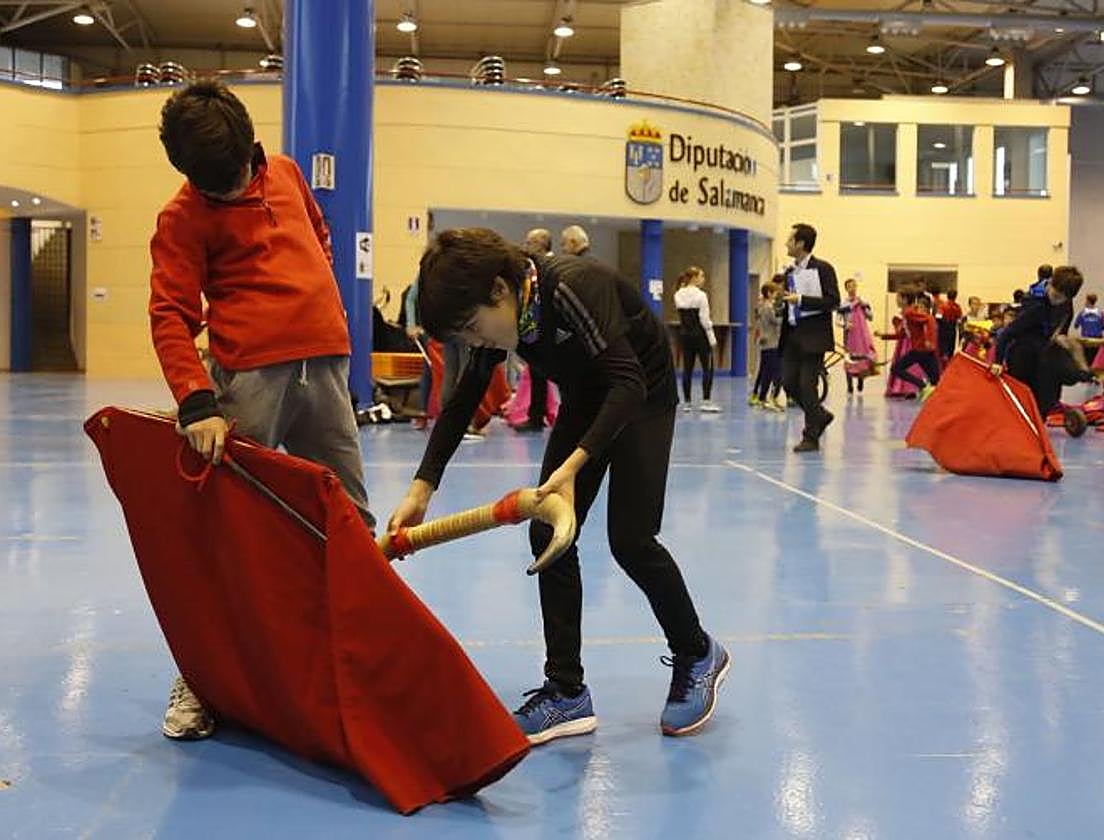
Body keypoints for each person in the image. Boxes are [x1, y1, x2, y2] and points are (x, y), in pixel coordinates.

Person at [389, 228, 728, 744]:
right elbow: (465, 397)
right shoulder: (505, 309)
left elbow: (627, 382)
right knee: (549, 534)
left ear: (499, 290)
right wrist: (422, 486)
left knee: (631, 540)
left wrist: (573, 464)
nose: (476, 343)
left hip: (641, 392)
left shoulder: (570, 287)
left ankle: (697, 652)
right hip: (587, 396)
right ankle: (567, 692)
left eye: (473, 329)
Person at [149, 81, 375, 740]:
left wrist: (321, 306)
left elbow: (321, 235)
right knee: (226, 534)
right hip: (250, 379)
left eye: (233, 178)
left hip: (326, 365)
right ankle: (200, 679)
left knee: (350, 520)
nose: (226, 192)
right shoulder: (181, 217)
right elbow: (169, 313)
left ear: (251, 147)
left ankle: (361, 656)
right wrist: (196, 403)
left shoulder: (286, 171)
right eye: (210, 187)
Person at [993, 265, 1090, 418]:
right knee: (1030, 394)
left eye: (1061, 298)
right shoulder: (1035, 305)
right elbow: (1007, 333)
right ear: (1050, 283)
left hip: (1045, 349)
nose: (1055, 300)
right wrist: (998, 362)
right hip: (1023, 354)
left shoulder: (1066, 305)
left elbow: (1062, 332)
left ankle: (1041, 416)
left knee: (1056, 385)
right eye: (1055, 294)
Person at [780, 223, 840, 452]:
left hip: (814, 337)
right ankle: (819, 415)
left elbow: (833, 301)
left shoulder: (823, 269)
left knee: (808, 385)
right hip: (792, 335)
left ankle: (811, 436)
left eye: (790, 240)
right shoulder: (789, 272)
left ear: (801, 243)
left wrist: (802, 300)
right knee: (788, 382)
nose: (786, 244)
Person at [517, 227, 555, 433]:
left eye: (529, 242)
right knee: (537, 375)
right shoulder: (532, 268)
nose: (525, 246)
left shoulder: (550, 267)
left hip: (550, 329)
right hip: (536, 328)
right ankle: (536, 416)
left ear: (541, 245)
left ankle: (539, 416)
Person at [673, 266, 721, 413]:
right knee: (708, 367)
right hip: (700, 335)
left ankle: (687, 402)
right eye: (701, 276)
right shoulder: (701, 295)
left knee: (687, 368)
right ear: (694, 278)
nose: (703, 279)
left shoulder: (678, 294)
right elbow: (704, 319)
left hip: (685, 335)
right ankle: (706, 401)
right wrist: (712, 338)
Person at [877, 295, 940, 401]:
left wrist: (930, 341)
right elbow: (901, 334)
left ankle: (923, 386)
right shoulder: (907, 314)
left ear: (905, 299)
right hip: (920, 351)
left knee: (896, 368)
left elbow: (930, 319)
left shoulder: (909, 313)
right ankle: (923, 386)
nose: (896, 300)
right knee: (935, 381)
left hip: (923, 351)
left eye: (898, 297)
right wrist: (883, 336)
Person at [402, 279, 433, 429]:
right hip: (431, 331)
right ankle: (423, 412)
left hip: (448, 329)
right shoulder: (425, 274)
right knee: (429, 372)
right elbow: (411, 298)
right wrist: (411, 325)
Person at [750, 278, 784, 411]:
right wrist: (786, 317)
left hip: (765, 342)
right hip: (772, 343)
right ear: (769, 293)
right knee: (772, 372)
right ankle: (766, 397)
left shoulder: (761, 306)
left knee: (765, 371)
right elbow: (776, 321)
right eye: (774, 292)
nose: (776, 294)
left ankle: (761, 397)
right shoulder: (768, 307)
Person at [837, 277, 874, 393]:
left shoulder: (862, 302)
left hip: (861, 336)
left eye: (854, 286)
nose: (852, 288)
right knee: (849, 359)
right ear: (846, 289)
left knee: (861, 359)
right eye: (849, 287)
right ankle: (849, 385)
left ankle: (860, 381)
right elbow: (837, 320)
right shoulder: (843, 304)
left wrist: (864, 307)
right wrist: (845, 324)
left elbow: (871, 317)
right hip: (848, 335)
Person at [1073, 292, 1104, 366]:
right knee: (1096, 361)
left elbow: (1076, 326)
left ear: (1087, 301)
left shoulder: (1082, 313)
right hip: (1098, 340)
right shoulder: (1101, 313)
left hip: (1086, 340)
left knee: (1087, 360)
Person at [937, 289, 963, 362]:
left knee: (943, 347)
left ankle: (944, 359)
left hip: (943, 327)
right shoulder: (957, 307)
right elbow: (960, 319)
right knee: (951, 346)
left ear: (947, 295)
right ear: (955, 296)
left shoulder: (942, 306)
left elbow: (938, 317)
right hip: (952, 327)